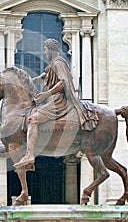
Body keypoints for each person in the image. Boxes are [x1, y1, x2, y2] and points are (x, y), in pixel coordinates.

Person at [14, 38, 98, 169]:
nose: (44, 52)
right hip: (52, 100)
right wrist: (25, 83)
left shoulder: (58, 63)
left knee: (33, 119)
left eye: (46, 49)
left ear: (51, 49)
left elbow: (63, 82)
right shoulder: (52, 64)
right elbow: (41, 78)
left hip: (59, 101)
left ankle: (30, 154)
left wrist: (45, 95)